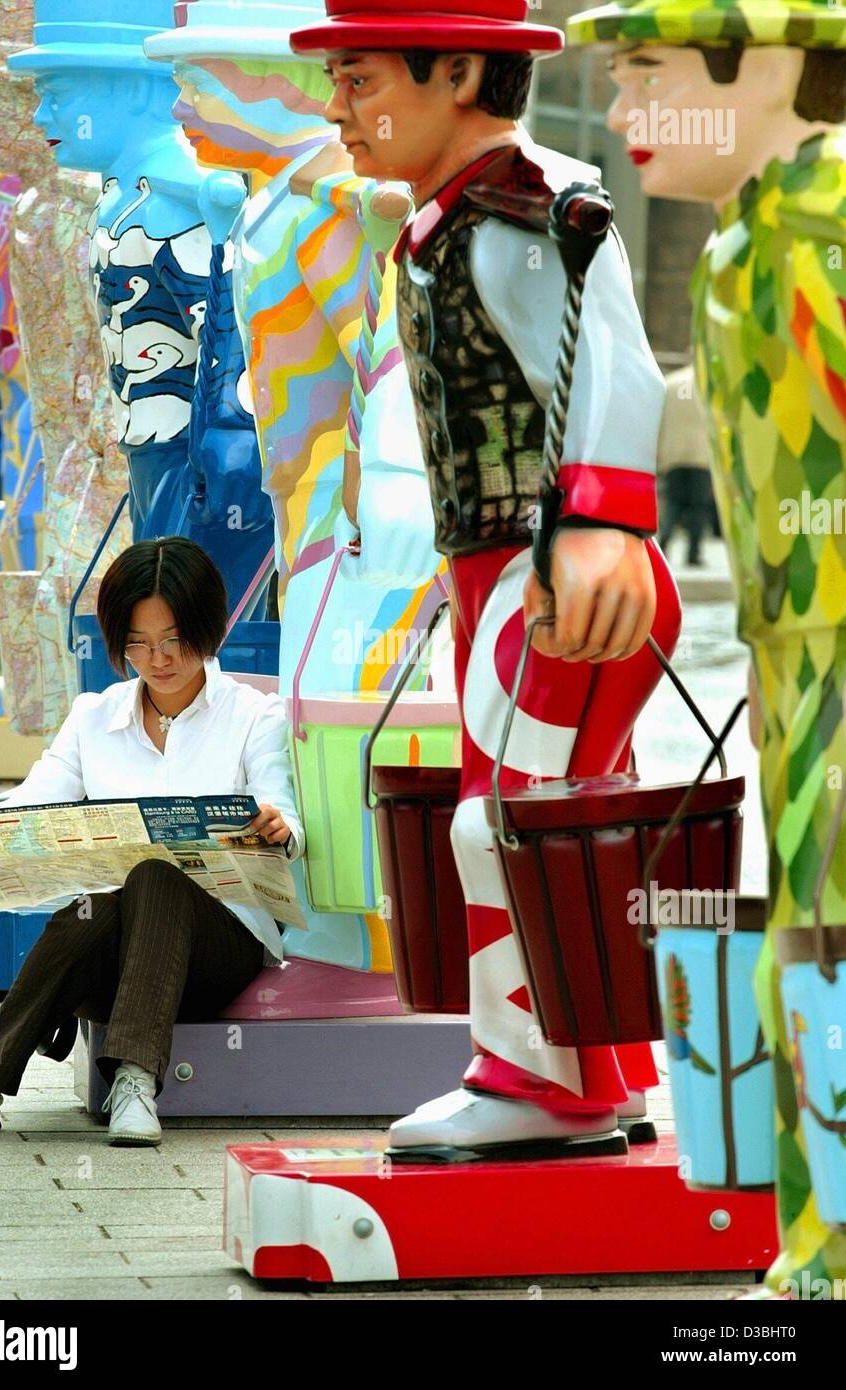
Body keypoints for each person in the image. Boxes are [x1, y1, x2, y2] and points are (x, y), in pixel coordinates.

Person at [290, 0, 682, 1160]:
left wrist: (598, 523)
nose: (338, 110)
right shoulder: (455, 219)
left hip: (552, 569)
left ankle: (532, 1082)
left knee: (501, 821)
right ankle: (600, 1066)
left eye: (358, 81)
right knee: (563, 815)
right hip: (509, 572)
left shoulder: (523, 213)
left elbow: (617, 363)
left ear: (455, 70)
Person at [568, 0, 846, 1301]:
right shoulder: (745, 246)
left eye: (648, 76)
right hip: (794, 659)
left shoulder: (824, 237)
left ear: (770, 65)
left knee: (830, 920)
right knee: (810, 921)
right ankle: (818, 1239)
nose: (624, 115)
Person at [0, 537, 304, 1146]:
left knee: (157, 875)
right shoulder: (93, 717)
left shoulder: (252, 715)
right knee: (94, 909)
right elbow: (31, 802)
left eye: (173, 639)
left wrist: (278, 827)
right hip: (112, 953)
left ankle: (135, 1080)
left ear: (208, 627)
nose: (158, 659)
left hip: (218, 951)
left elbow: (282, 807)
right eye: (138, 643)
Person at [656, 363, 715, 567]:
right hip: (701, 454)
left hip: (674, 454)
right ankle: (693, 553)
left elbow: (661, 421)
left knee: (673, 503)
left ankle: (663, 544)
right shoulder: (708, 382)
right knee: (698, 507)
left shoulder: (670, 384)